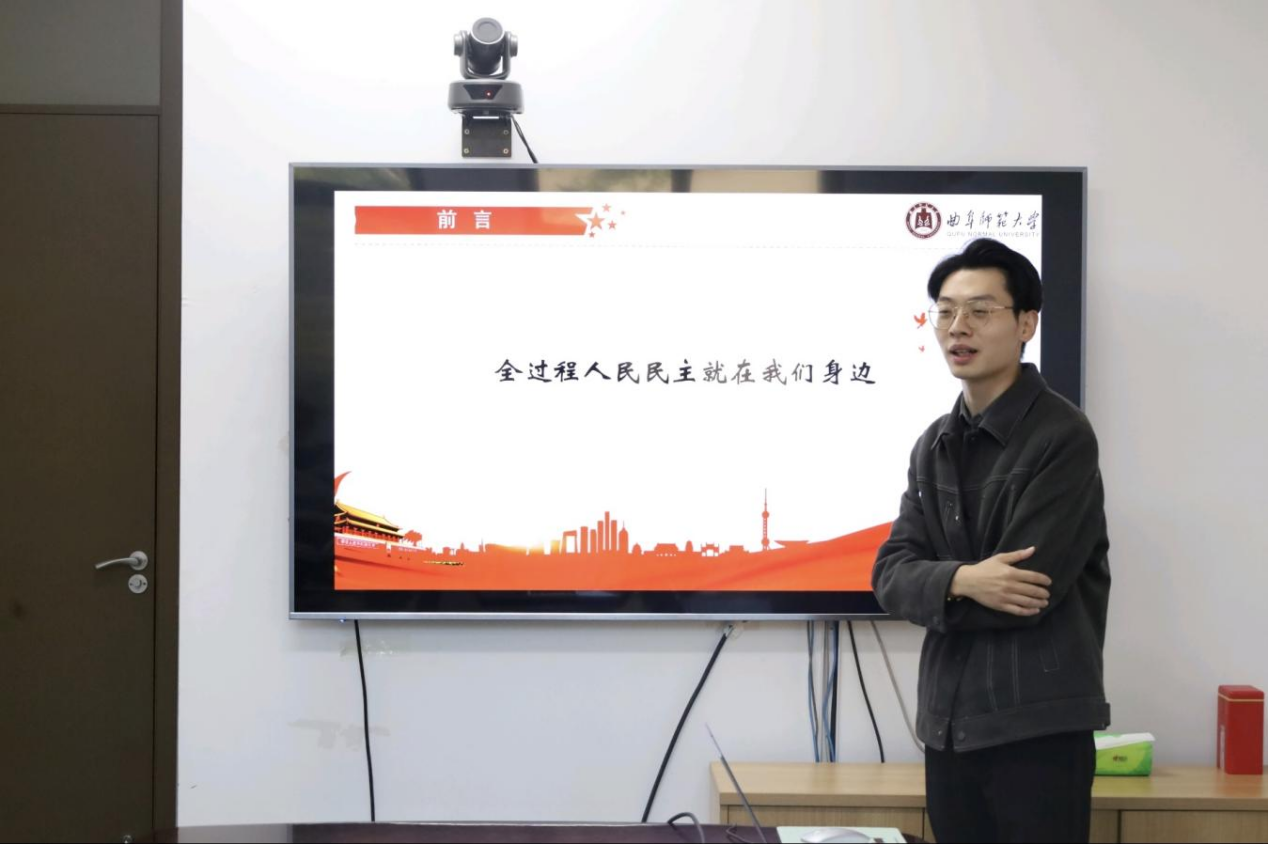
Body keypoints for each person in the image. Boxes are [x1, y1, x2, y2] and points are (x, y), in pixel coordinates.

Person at [872, 237, 1111, 843]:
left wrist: (936, 588)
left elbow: (1027, 592)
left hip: (1037, 729)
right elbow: (889, 575)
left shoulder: (1063, 435)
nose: (958, 327)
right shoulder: (933, 443)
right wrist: (962, 580)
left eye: (980, 310)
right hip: (947, 728)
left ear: (1027, 323)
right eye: (946, 311)